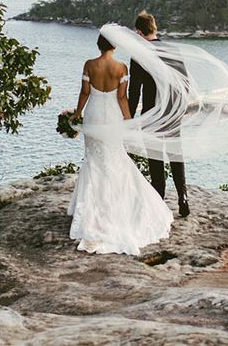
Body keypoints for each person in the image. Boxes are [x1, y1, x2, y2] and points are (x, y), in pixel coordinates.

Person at [66, 34, 173, 255]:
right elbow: (122, 98)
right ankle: (118, 207)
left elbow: (85, 92)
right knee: (114, 158)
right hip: (113, 116)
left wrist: (77, 114)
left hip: (94, 115)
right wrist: (128, 121)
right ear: (114, 45)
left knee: (94, 160)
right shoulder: (121, 68)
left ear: (98, 45)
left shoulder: (89, 65)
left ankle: (92, 211)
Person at [127, 11, 190, 217]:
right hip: (172, 110)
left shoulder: (139, 55)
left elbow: (134, 91)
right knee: (175, 152)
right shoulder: (172, 50)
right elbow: (184, 83)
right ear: (154, 28)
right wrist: (178, 109)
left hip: (152, 111)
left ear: (138, 32)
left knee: (155, 155)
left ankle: (159, 198)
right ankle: (183, 196)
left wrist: (128, 118)